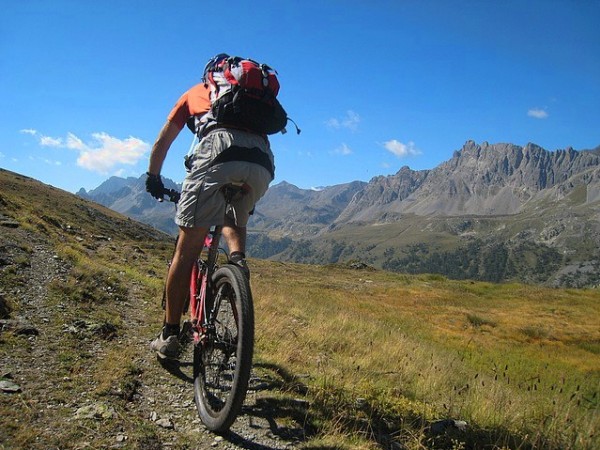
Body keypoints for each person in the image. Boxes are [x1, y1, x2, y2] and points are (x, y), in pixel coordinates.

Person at [146, 53, 275, 359]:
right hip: (262, 160)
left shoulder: (195, 92)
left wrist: (153, 177)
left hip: (218, 151)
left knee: (186, 250)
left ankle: (170, 335)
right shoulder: (249, 98)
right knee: (235, 214)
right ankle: (238, 265)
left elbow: (162, 143)